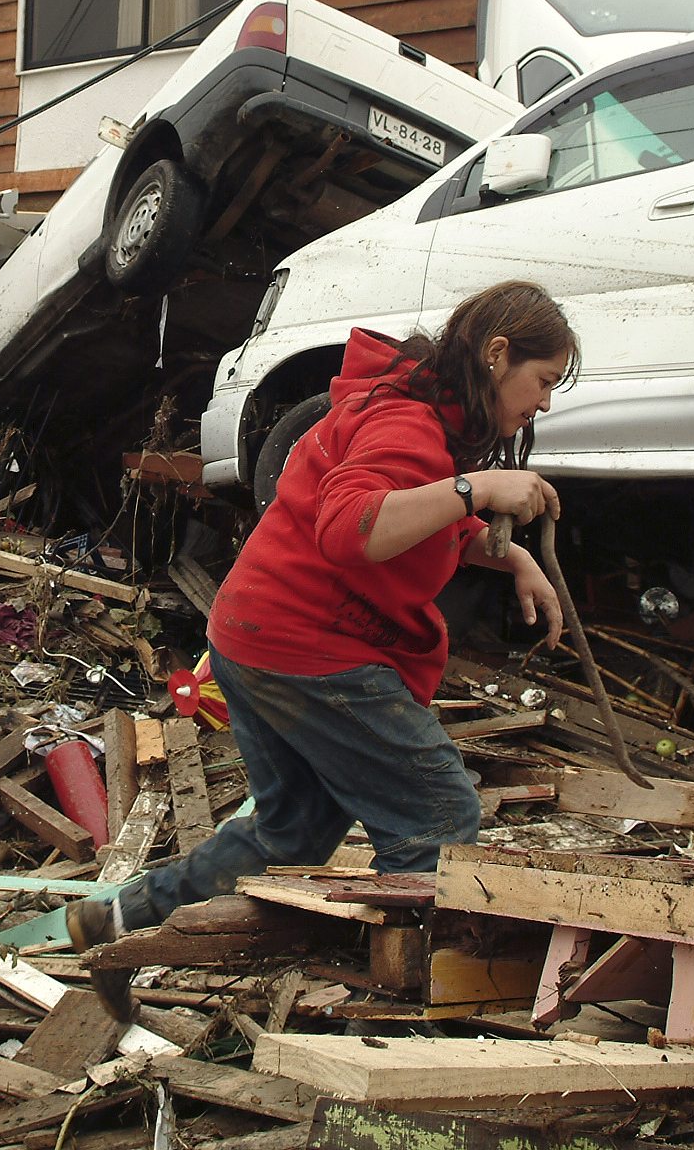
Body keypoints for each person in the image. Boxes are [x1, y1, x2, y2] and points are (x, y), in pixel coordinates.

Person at [67, 280, 575, 1008]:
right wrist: (477, 489)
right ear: (498, 354)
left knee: (292, 831)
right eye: (543, 380)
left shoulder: (417, 415)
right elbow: (355, 528)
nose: (545, 403)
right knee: (438, 817)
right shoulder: (409, 423)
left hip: (254, 634)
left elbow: (405, 512)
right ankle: (409, 1009)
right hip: (310, 644)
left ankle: (116, 921)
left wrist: (507, 554)